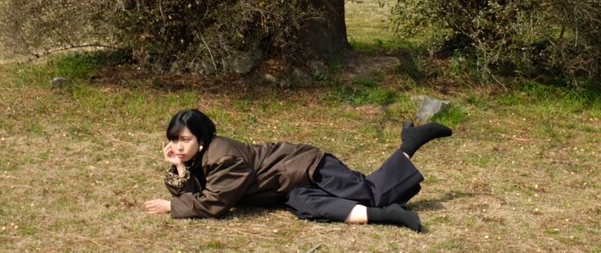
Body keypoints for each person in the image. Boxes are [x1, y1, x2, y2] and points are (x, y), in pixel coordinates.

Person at [144, 109, 452, 232]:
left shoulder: (223, 156)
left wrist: (172, 206)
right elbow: (197, 192)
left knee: (369, 192)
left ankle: (411, 142)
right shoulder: (198, 158)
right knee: (312, 206)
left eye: (185, 140)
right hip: (286, 188)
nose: (178, 146)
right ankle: (390, 215)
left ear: (201, 138)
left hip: (306, 166)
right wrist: (179, 167)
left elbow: (215, 202)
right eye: (174, 140)